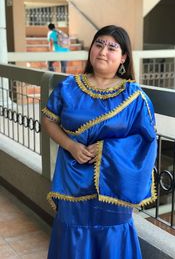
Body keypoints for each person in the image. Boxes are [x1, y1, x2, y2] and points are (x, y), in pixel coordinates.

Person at [42, 25, 157, 259]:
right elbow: (48, 121)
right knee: (71, 235)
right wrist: (72, 146)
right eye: (99, 44)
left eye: (112, 47)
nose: (103, 51)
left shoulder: (135, 97)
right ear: (91, 49)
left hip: (113, 186)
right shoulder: (68, 87)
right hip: (71, 181)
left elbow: (146, 142)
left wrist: (107, 150)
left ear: (123, 57)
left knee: (112, 238)